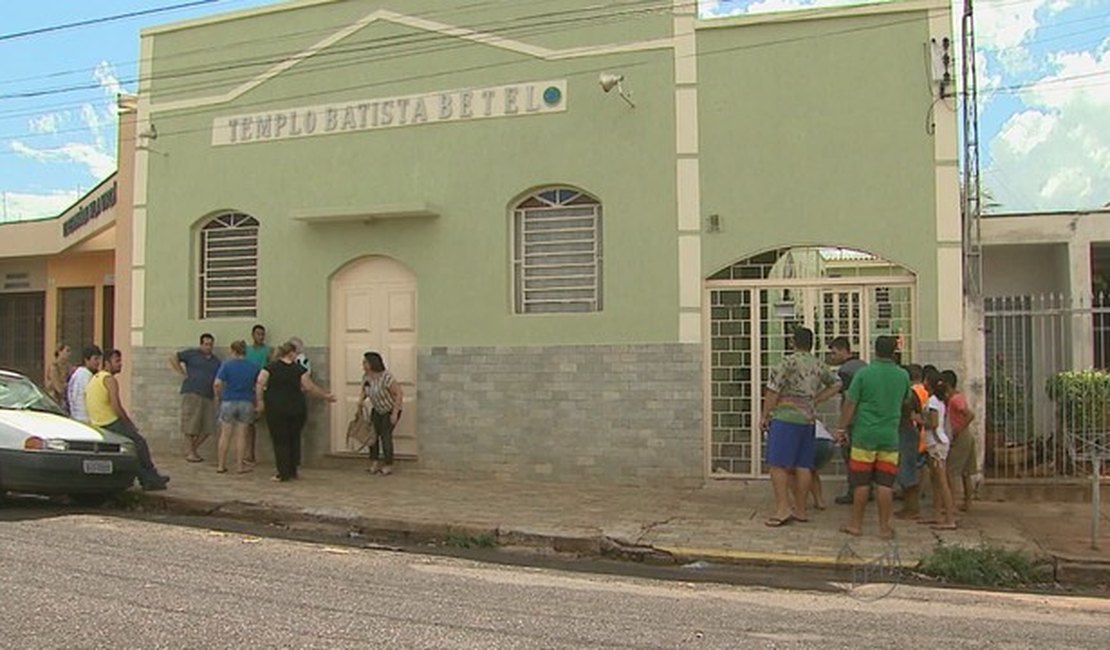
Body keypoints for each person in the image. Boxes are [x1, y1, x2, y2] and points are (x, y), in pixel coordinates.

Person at [760, 327, 841, 527]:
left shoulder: (787, 363)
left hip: (786, 417)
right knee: (804, 465)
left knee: (777, 464)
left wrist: (765, 415)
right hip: (808, 419)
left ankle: (782, 508)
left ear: (793, 342)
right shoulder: (818, 365)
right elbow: (838, 383)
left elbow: (772, 390)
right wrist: (817, 398)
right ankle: (801, 509)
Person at [835, 335, 910, 540]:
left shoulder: (864, 374)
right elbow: (906, 401)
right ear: (894, 351)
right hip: (890, 436)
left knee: (861, 483)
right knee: (885, 484)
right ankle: (885, 528)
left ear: (875, 350)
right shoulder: (902, 376)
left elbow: (850, 403)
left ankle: (855, 525)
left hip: (864, 436)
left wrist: (841, 428)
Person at [86, 349, 169, 491]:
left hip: (97, 422)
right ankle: (151, 476)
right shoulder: (109, 379)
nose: (120, 365)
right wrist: (128, 423)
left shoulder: (95, 378)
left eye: (121, 361)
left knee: (133, 449)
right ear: (107, 363)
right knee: (139, 443)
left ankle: (148, 478)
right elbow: (116, 406)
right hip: (110, 422)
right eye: (117, 361)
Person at [255, 340, 336, 482]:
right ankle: (293, 470)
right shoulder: (299, 369)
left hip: (276, 408)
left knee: (280, 440)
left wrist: (260, 401)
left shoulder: (270, 368)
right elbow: (309, 387)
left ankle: (283, 472)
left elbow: (260, 383)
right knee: (294, 438)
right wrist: (325, 396)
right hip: (296, 408)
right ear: (291, 353)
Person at [169, 333, 221, 462]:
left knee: (208, 427)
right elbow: (173, 357)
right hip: (192, 392)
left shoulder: (216, 361)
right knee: (190, 424)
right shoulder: (192, 354)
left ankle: (192, 450)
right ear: (201, 344)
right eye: (206, 344)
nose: (208, 347)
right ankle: (191, 453)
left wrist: (217, 396)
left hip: (208, 395)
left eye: (210, 344)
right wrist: (182, 373)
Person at [829, 336, 868, 506]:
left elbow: (844, 395)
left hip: (852, 419)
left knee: (850, 456)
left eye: (833, 353)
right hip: (866, 418)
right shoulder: (863, 366)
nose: (832, 357)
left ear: (843, 350)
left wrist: (814, 400)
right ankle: (867, 489)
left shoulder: (845, 370)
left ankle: (855, 491)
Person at [213, 340, 260, 474]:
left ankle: (221, 465)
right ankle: (240, 466)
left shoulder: (226, 365)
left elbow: (217, 384)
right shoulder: (253, 366)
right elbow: (258, 384)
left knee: (225, 435)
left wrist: (219, 396)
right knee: (242, 435)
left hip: (229, 401)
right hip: (246, 401)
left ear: (233, 350)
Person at [919, 369, 957, 530]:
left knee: (942, 482)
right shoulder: (935, 400)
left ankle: (949, 518)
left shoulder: (934, 401)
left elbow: (933, 424)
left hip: (937, 444)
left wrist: (918, 420)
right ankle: (937, 515)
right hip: (934, 443)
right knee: (936, 481)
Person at [359, 352, 404, 476]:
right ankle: (374, 462)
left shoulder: (386, 377)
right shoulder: (366, 376)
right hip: (377, 409)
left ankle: (388, 464)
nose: (363, 365)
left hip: (389, 409)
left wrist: (394, 413)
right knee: (372, 437)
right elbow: (364, 390)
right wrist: (360, 402)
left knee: (385, 436)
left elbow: (398, 393)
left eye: (365, 362)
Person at [942, 369, 977, 513]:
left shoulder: (955, 399)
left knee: (951, 471)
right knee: (966, 472)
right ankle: (967, 502)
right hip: (966, 436)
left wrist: (958, 430)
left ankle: (952, 504)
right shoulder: (956, 398)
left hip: (961, 437)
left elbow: (969, 415)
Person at [895, 363, 927, 519]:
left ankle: (912, 508)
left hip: (906, 432)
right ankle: (909, 506)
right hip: (908, 432)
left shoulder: (908, 394)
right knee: (905, 471)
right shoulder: (910, 393)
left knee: (907, 471)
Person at [243, 324, 273, 465]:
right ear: (253, 335)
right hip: (247, 387)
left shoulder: (267, 351)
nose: (260, 337)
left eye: (262, 334)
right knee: (248, 423)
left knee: (256, 419)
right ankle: (248, 454)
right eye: (258, 334)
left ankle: (252, 454)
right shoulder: (247, 351)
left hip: (261, 387)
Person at [67, 345, 102, 424]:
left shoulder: (78, 374)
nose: (98, 362)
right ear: (86, 360)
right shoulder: (85, 376)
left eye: (99, 359)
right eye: (95, 359)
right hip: (85, 417)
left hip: (76, 416)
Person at [807, 420, 837, 510]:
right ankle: (819, 501)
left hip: (812, 441)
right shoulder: (809, 414)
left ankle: (799, 502)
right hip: (827, 443)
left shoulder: (783, 417)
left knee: (790, 472)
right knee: (812, 471)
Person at [45, 343, 73, 411]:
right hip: (55, 399)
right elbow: (58, 386)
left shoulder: (68, 366)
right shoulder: (54, 367)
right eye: (67, 351)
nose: (69, 354)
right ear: (60, 352)